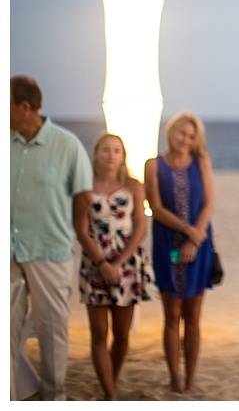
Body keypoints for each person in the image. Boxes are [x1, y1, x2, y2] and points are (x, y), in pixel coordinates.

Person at [10, 75, 94, 400]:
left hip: (50, 253)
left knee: (52, 335)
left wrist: (61, 229)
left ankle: (52, 400)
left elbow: (83, 198)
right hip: (11, 254)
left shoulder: (67, 144)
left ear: (24, 107)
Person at [75, 132, 157, 400]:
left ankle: (113, 378)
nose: (111, 155)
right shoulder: (84, 187)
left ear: (123, 156)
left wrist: (118, 263)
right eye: (106, 150)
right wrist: (101, 263)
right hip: (94, 265)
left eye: (117, 150)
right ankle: (109, 393)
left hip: (127, 268)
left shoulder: (134, 186)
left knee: (121, 335)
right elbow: (80, 229)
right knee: (99, 333)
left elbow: (140, 230)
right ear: (96, 153)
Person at [144, 111, 216, 394]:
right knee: (171, 316)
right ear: (170, 132)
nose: (185, 139)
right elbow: (156, 207)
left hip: (198, 246)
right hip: (166, 244)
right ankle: (174, 377)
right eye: (180, 133)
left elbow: (209, 203)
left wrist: (194, 238)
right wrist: (186, 230)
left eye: (191, 136)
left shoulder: (202, 162)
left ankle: (191, 379)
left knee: (194, 317)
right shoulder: (153, 165)